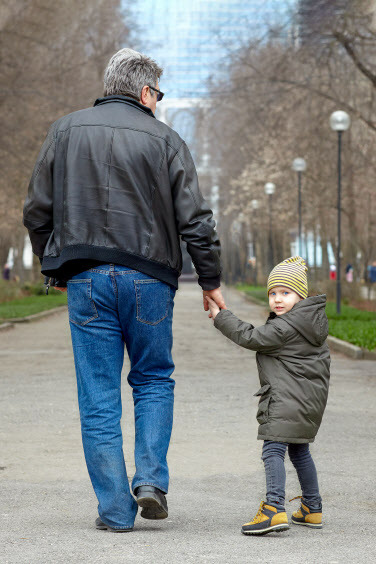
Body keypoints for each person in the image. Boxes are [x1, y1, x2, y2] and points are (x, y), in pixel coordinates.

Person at [23, 48, 225, 532]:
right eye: (159, 94)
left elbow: (37, 209)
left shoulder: (65, 130)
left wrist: (54, 264)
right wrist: (211, 280)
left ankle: (115, 512)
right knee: (153, 379)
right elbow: (195, 219)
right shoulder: (167, 140)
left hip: (88, 278)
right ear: (144, 91)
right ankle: (151, 481)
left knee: (97, 396)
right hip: (150, 279)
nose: (159, 103)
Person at [206, 256, 330, 536]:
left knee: (273, 449)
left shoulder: (285, 327)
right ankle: (312, 508)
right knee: (299, 451)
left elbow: (249, 337)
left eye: (285, 293)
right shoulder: (312, 323)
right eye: (273, 293)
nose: (277, 299)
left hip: (285, 401)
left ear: (301, 295)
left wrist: (221, 316)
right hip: (308, 403)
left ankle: (274, 508)